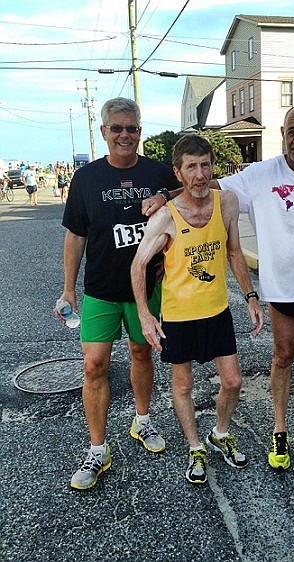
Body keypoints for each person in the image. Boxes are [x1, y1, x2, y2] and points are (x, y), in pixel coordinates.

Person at [143, 105, 294, 471]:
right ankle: (280, 430)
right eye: (291, 132)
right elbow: (204, 184)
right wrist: (162, 196)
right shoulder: (260, 174)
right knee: (282, 356)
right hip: (281, 288)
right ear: (281, 132)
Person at [56, 97, 180, 490]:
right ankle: (97, 449)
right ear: (104, 132)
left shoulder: (160, 173)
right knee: (93, 366)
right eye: (117, 128)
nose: (125, 134)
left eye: (132, 128)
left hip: (147, 289)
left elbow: (194, 201)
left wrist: (167, 202)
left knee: (142, 353)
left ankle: (142, 421)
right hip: (101, 290)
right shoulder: (86, 179)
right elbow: (75, 235)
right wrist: (68, 289)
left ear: (140, 131)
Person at [131, 134, 264, 485]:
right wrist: (146, 315)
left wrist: (251, 297)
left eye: (205, 165)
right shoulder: (166, 216)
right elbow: (138, 264)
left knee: (233, 381)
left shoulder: (227, 203)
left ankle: (219, 434)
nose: (200, 174)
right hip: (178, 315)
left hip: (217, 310)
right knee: (184, 384)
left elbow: (234, 253)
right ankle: (194, 447)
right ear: (178, 173)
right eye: (191, 167)